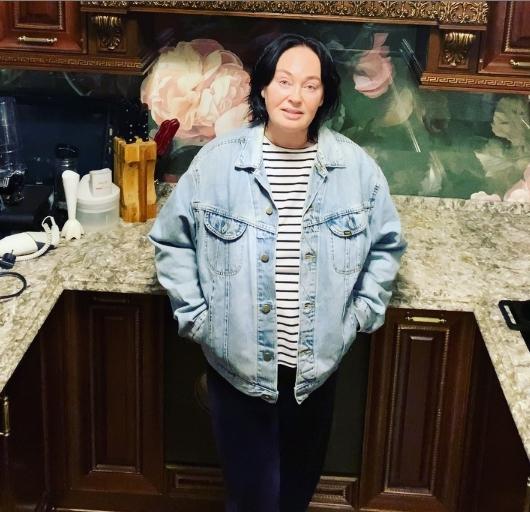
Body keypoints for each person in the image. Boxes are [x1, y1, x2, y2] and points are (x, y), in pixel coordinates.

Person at [149, 33, 406, 512]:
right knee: (251, 497)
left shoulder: (355, 168)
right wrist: (198, 319)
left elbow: (386, 245)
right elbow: (171, 240)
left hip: (315, 374)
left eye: (311, 85)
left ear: (324, 95)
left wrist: (361, 315)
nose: (295, 96)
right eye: (284, 81)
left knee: (294, 493)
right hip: (237, 372)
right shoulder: (218, 163)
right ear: (263, 88)